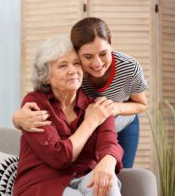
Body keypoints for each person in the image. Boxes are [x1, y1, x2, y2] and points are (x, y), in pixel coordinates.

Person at [13, 17, 147, 168]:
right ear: (77, 53)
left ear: (111, 45)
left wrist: (114, 108)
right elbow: (45, 89)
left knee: (121, 170)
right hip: (93, 120)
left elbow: (141, 104)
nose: (97, 63)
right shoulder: (75, 71)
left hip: (122, 121)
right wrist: (17, 119)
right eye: (88, 56)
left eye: (103, 53)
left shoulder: (129, 67)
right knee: (90, 168)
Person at [13, 36, 123, 196]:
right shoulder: (35, 104)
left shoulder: (97, 105)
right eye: (63, 65)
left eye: (76, 63)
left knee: (108, 183)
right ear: (46, 76)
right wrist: (90, 122)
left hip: (83, 176)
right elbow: (59, 157)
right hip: (41, 185)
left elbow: (110, 143)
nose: (73, 70)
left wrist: (108, 162)